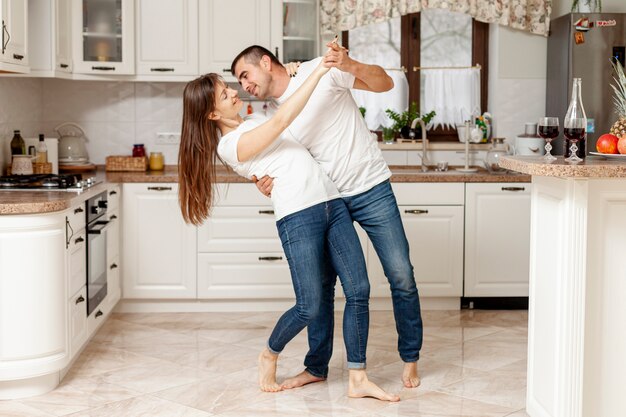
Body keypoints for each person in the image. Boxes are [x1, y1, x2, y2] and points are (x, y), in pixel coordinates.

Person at [178, 55, 399, 401]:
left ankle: (358, 376)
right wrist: (319, 71)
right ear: (211, 114)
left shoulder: (251, 121)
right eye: (225, 94)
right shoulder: (229, 145)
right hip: (298, 217)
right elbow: (283, 120)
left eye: (230, 88)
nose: (236, 93)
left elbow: (282, 144)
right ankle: (269, 353)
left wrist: (292, 72)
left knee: (359, 289)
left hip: (333, 203)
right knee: (309, 305)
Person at [231, 44, 424, 389]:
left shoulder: (320, 69)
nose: (244, 85)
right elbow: (274, 158)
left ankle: (410, 357)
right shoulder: (278, 115)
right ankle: (316, 367)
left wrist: (351, 63)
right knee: (323, 287)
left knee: (401, 274)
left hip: (371, 187)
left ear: (264, 61)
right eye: (238, 81)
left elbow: (385, 84)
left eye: (245, 74)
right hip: (327, 201)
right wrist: (262, 180)